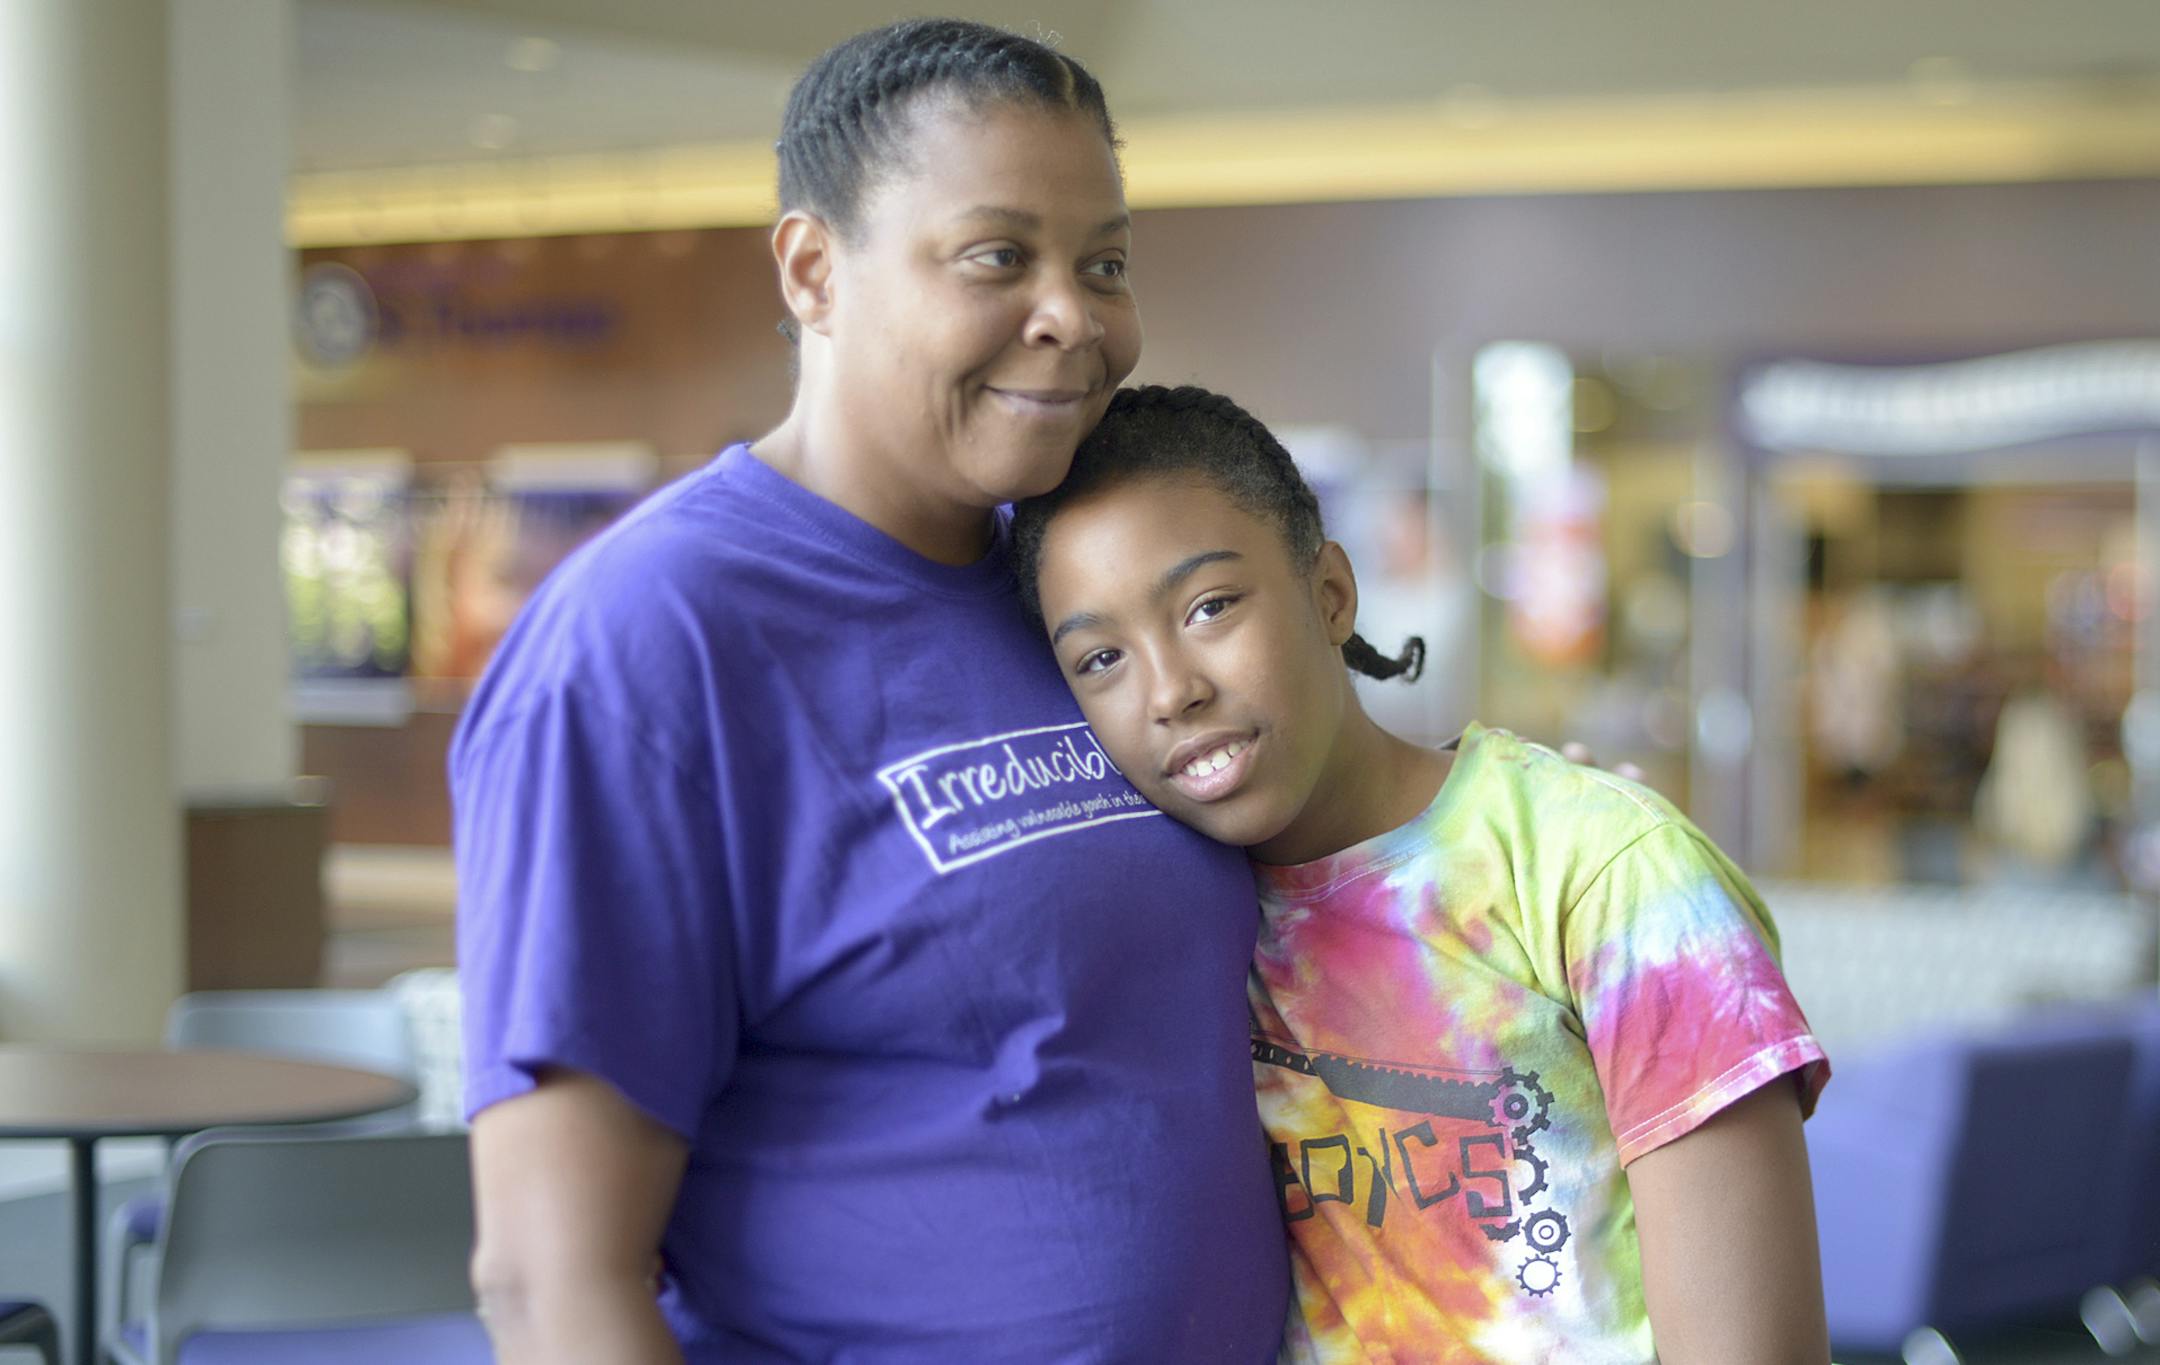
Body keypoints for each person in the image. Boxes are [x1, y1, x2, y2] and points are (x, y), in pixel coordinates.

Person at [451, 25, 1287, 1364]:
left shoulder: (1080, 591)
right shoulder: (646, 640)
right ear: (812, 270)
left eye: (1105, 263)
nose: (1073, 317)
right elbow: (552, 1285)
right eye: (997, 256)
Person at [1011, 385, 1834, 1365]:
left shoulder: (1605, 868)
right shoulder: (1171, 915)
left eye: (1210, 607)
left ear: (1331, 593)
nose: (1171, 690)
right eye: (1101, 657)